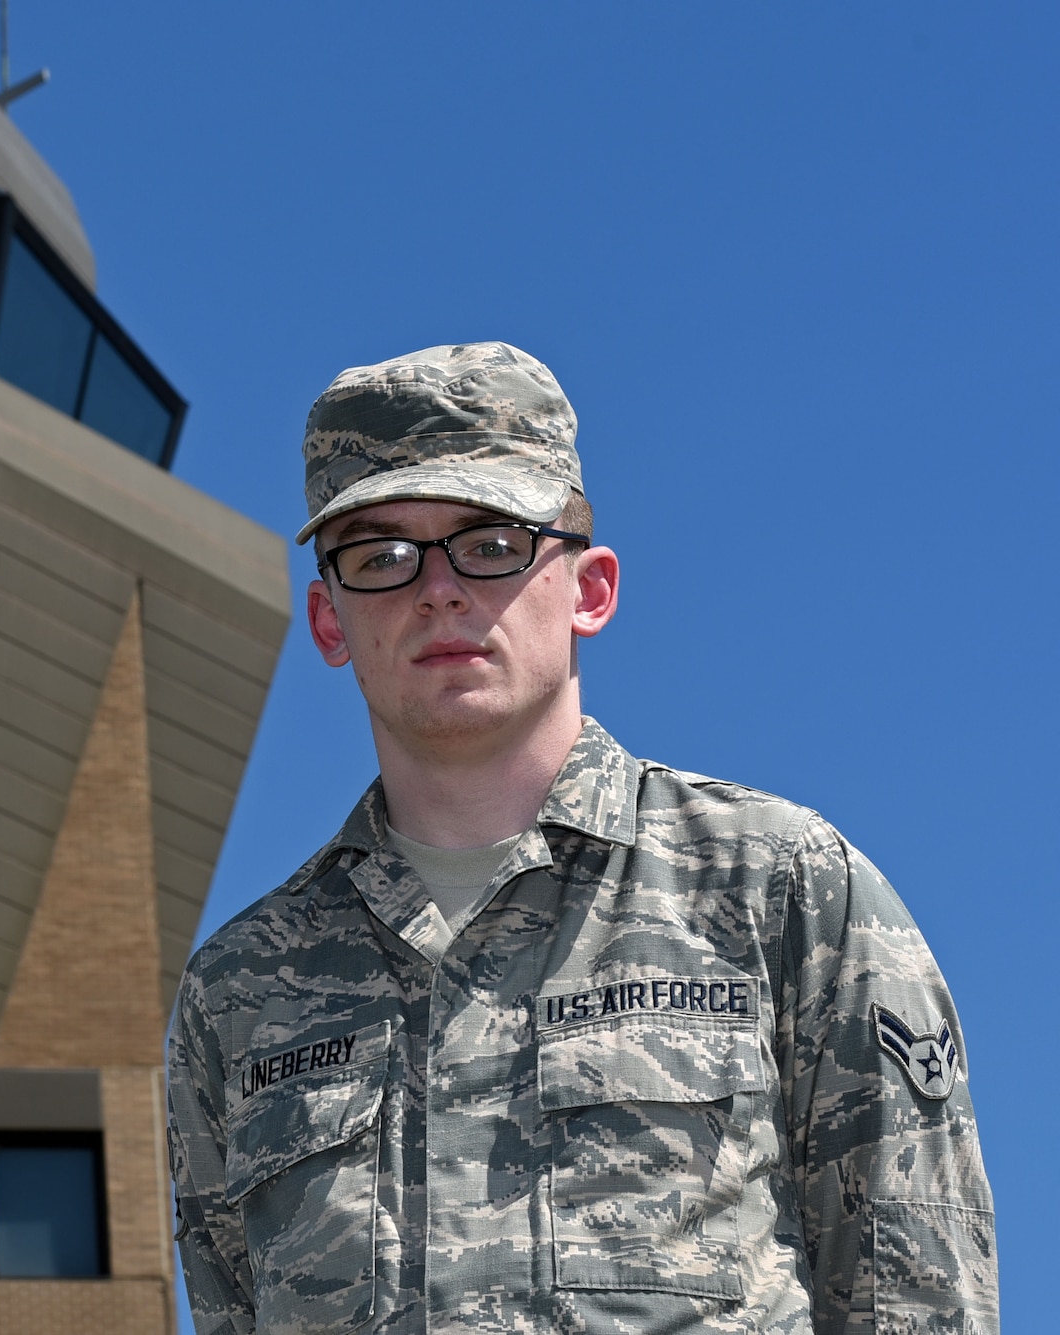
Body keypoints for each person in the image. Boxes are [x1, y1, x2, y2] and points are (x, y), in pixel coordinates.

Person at [166, 342, 996, 1335]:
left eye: (489, 542)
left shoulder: (783, 889)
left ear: (589, 590)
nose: (436, 589)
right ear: (327, 619)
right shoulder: (236, 994)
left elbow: (917, 1301)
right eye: (379, 555)